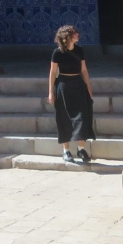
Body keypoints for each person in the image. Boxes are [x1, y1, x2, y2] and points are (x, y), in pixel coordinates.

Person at [47, 24, 95, 164]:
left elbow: (84, 70)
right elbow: (53, 73)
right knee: (64, 118)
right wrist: (50, 92)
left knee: (82, 117)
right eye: (74, 33)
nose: (77, 34)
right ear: (67, 36)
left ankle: (81, 149)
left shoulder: (80, 50)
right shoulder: (57, 52)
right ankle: (66, 151)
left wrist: (89, 88)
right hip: (63, 86)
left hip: (78, 85)